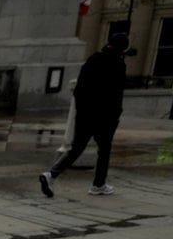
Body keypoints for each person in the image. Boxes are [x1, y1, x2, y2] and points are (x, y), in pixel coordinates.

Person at [39, 33, 128, 197]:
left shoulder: (93, 59)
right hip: (105, 116)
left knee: (76, 149)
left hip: (85, 115)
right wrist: (116, 114)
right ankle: (98, 184)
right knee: (104, 150)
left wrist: (81, 111)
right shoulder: (118, 64)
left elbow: (79, 89)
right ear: (122, 48)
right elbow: (116, 93)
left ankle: (51, 174)